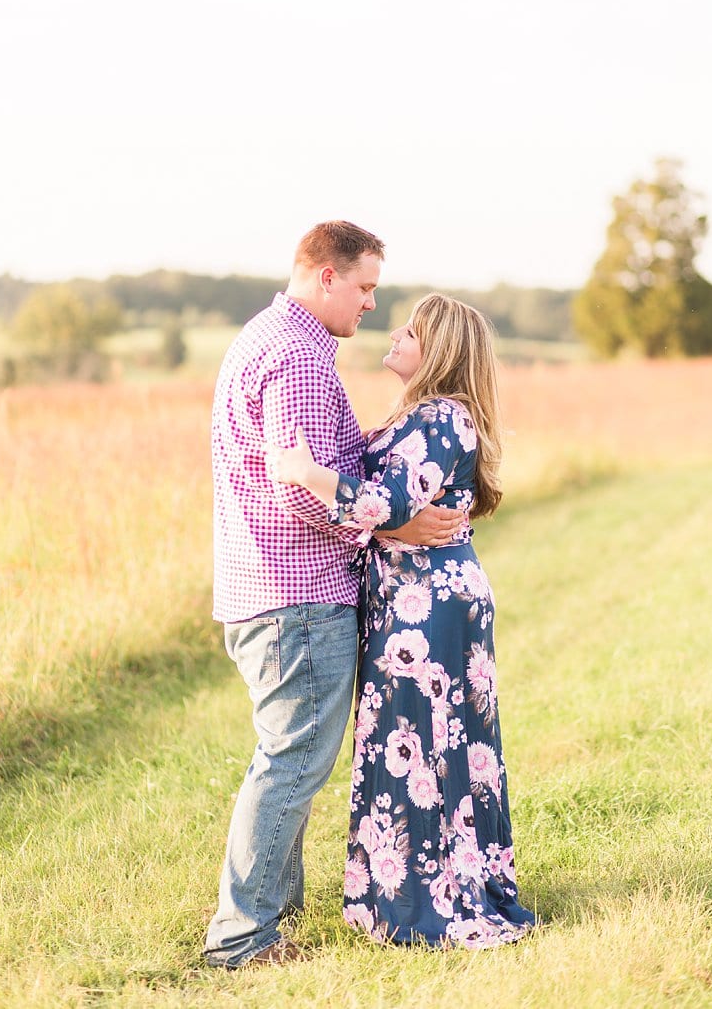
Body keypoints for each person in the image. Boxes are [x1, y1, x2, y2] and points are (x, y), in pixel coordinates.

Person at [204, 222, 463, 968]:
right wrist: (397, 529)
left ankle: (269, 915)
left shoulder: (268, 339)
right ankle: (242, 938)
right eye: (364, 286)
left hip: (266, 587)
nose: (371, 305)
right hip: (298, 594)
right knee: (291, 762)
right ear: (325, 276)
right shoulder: (297, 359)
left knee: (289, 756)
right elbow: (303, 491)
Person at [267, 293, 537, 947]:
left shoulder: (442, 418)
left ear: (438, 349)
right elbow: (385, 512)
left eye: (410, 331)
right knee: (411, 739)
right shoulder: (416, 415)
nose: (393, 331)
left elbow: (385, 501)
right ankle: (406, 889)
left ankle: (435, 895)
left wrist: (306, 473)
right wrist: (380, 514)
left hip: (430, 607)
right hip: (413, 598)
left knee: (425, 741)